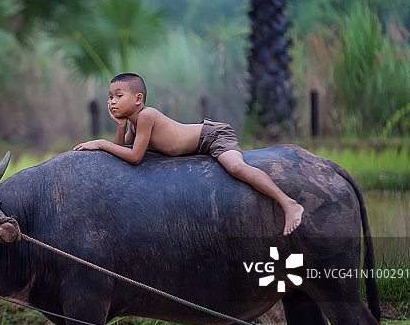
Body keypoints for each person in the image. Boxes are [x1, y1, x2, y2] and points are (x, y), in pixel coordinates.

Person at [74, 73, 304, 235]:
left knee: (236, 168)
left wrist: (101, 143)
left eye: (118, 95)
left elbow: (135, 157)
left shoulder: (146, 116)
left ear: (138, 99)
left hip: (212, 136)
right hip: (197, 143)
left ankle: (288, 203)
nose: (112, 102)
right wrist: (121, 126)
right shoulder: (134, 123)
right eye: (110, 96)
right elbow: (122, 151)